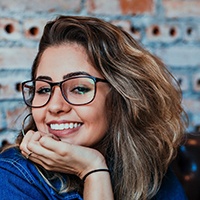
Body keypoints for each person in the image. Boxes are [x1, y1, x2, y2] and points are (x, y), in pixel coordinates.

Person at [0, 15, 188, 200]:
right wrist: (93, 171)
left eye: (79, 88)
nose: (55, 105)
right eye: (43, 89)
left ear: (120, 97)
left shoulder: (146, 167)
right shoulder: (11, 177)